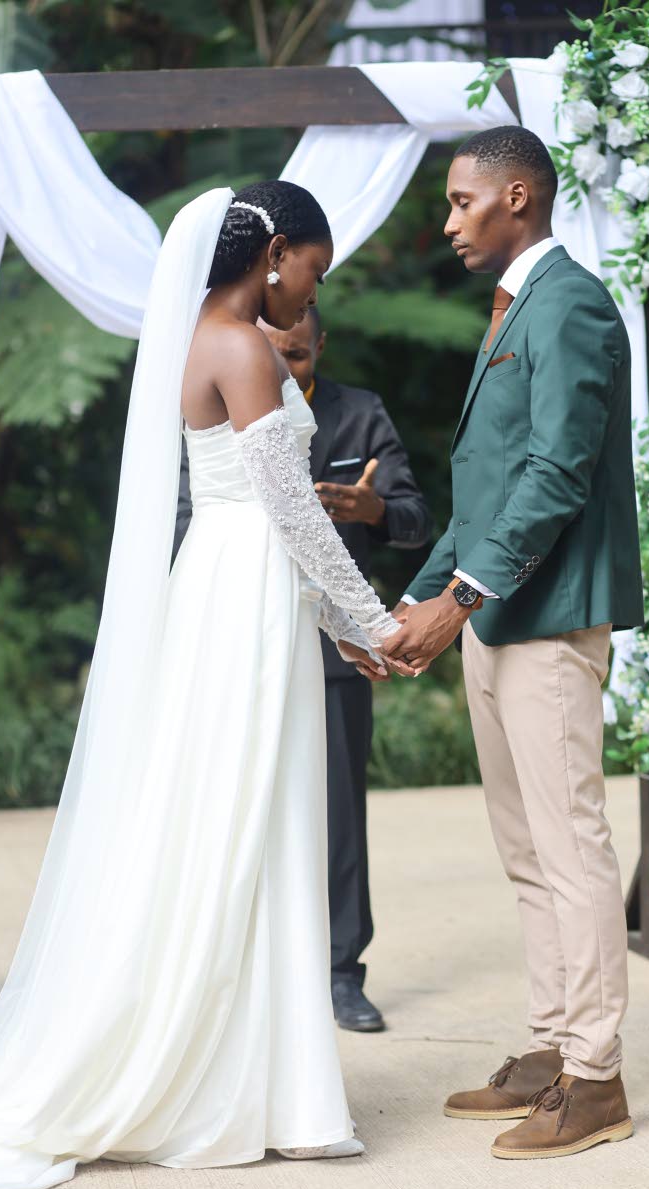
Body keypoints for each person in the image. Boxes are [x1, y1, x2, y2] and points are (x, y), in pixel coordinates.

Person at [0, 181, 414, 1189]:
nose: (315, 288)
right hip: (244, 596)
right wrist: (378, 623)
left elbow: (264, 525)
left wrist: (336, 628)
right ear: (275, 255)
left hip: (236, 583)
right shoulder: (244, 347)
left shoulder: (200, 339)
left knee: (251, 826)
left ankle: (270, 1085)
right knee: (242, 825)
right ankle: (239, 1085)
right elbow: (294, 517)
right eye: (314, 265)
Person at [383, 126, 644, 1161]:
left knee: (570, 848)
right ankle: (548, 1050)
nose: (448, 224)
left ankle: (596, 1078)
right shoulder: (512, 310)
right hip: (494, 616)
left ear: (519, 197)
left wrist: (463, 596)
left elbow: (554, 474)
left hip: (544, 619)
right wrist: (411, 605)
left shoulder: (570, 303)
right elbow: (483, 488)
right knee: (528, 852)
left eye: (460, 202)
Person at [174, 308, 431, 1033]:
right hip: (248, 630)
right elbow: (188, 513)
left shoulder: (360, 414)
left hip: (335, 650)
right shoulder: (222, 396)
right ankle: (249, 971)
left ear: (321, 343)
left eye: (297, 352)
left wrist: (374, 508)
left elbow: (419, 518)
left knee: (340, 814)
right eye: (274, 353)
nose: (284, 367)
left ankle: (343, 974)